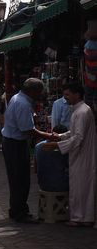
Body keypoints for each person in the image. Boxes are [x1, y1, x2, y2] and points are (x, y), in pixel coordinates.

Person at [42, 83, 97, 227]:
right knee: (82, 185)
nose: (65, 99)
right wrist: (59, 137)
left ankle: (80, 217)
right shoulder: (80, 111)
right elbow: (73, 133)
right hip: (81, 155)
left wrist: (57, 144)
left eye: (67, 95)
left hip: (82, 155)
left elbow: (78, 137)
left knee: (81, 186)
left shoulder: (82, 112)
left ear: (76, 95)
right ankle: (84, 217)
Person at [1, 78, 53, 223]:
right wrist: (49, 136)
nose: (40, 94)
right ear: (32, 91)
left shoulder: (18, 99)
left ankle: (17, 210)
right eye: (39, 91)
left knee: (17, 178)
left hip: (12, 142)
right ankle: (19, 212)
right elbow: (28, 130)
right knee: (20, 179)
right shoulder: (22, 103)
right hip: (15, 144)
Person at [34, 125, 69, 193]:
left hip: (43, 185)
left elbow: (35, 170)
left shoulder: (38, 146)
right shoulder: (63, 149)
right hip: (61, 185)